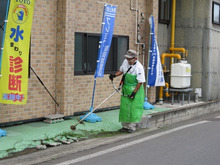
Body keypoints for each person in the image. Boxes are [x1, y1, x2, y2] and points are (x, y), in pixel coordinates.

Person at [109, 49, 145, 133]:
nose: (128, 60)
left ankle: (132, 127)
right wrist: (114, 75)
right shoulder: (125, 62)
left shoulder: (139, 67)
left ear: (135, 59)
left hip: (135, 89)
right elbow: (121, 70)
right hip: (126, 88)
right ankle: (125, 126)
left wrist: (134, 92)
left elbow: (140, 82)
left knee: (133, 108)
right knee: (124, 107)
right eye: (127, 58)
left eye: (130, 59)